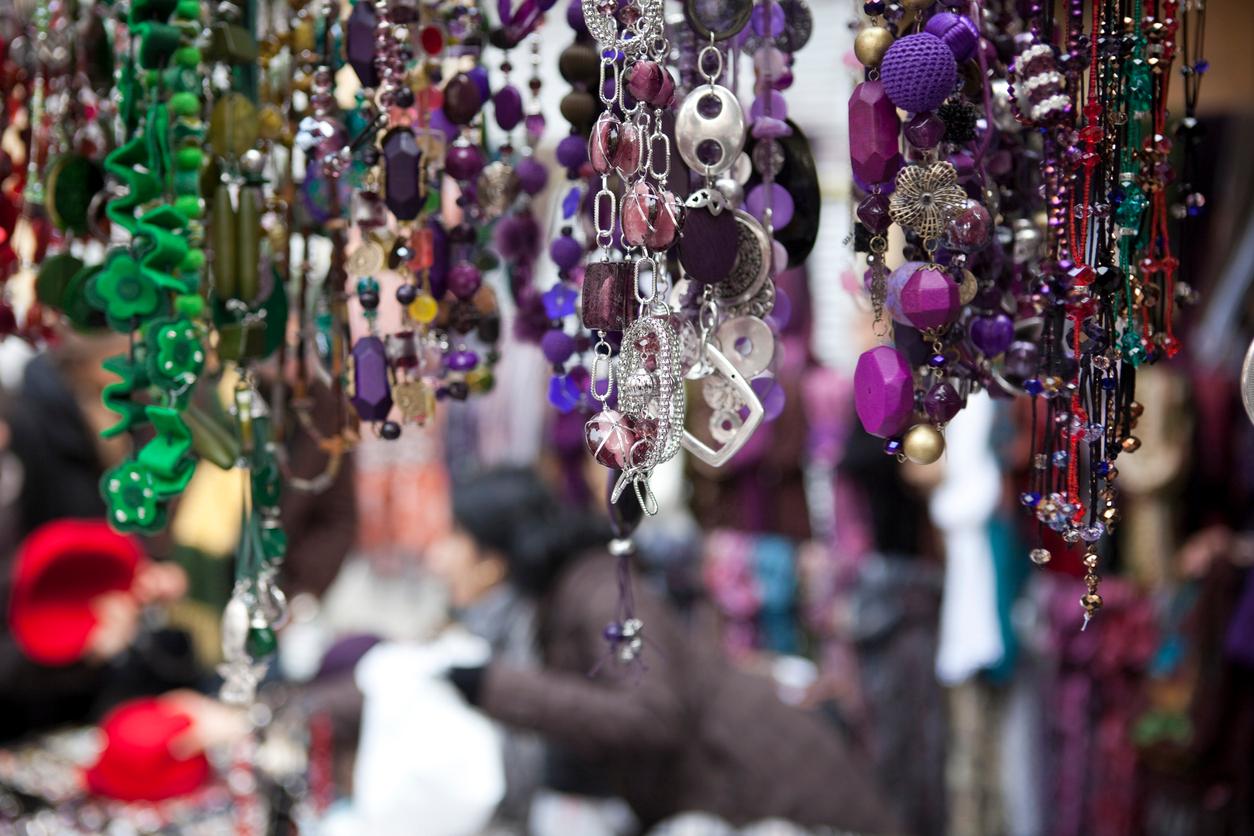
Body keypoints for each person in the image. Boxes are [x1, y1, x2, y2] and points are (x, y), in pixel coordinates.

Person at [427, 467, 901, 834]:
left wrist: (495, 686)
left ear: (495, 546)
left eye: (454, 536)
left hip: (782, 798)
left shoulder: (600, 591)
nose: (438, 557)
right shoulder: (565, 596)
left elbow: (651, 712)